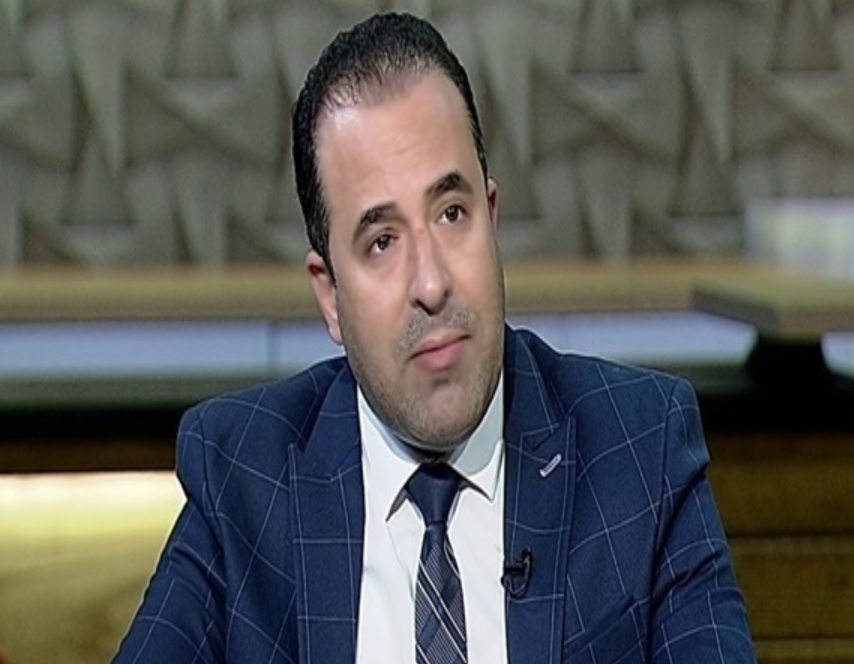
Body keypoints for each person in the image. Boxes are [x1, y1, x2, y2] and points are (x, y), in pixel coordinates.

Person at [110, 12, 756, 664]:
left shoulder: (639, 453)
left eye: (451, 214)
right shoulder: (244, 478)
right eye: (381, 241)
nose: (432, 282)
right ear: (330, 295)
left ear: (491, 220)